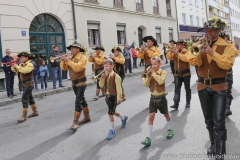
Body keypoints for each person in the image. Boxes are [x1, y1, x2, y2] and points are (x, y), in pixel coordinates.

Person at [188, 17, 235, 159]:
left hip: (219, 87)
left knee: (219, 121)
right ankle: (213, 144)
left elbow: (227, 64)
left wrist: (212, 53)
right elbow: (191, 61)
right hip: (202, 86)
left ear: (218, 30)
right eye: (206, 30)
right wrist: (198, 50)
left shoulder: (227, 46)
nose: (208, 33)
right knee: (208, 120)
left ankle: (220, 151)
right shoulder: (200, 44)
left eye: (211, 30)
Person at [141, 56, 174, 146]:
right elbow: (145, 84)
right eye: (152, 64)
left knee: (166, 115)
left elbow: (160, 81)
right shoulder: (150, 73)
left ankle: (170, 129)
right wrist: (147, 76)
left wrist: (153, 74)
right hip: (153, 98)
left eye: (155, 64)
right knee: (151, 116)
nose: (153, 66)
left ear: (160, 64)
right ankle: (148, 137)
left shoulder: (163, 72)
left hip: (162, 98)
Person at [60, 42, 91, 130]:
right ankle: (87, 117)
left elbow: (78, 68)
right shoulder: (71, 58)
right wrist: (63, 60)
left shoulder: (83, 57)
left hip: (81, 82)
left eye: (73, 48)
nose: (71, 50)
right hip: (74, 82)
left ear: (78, 49)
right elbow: (64, 68)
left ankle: (75, 122)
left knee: (78, 101)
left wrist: (68, 61)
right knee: (82, 100)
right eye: (71, 49)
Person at [99, 59, 128, 140]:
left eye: (107, 66)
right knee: (112, 111)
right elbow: (101, 85)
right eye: (104, 66)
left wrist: (119, 98)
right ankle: (123, 118)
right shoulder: (105, 75)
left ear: (112, 66)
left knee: (110, 113)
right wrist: (102, 78)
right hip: (107, 96)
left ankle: (112, 130)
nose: (106, 68)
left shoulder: (116, 76)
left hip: (114, 96)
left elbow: (119, 88)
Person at [11, 52, 39, 123]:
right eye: (21, 57)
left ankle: (24, 116)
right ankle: (35, 112)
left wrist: (17, 66)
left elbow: (25, 71)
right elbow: (15, 70)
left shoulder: (30, 64)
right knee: (30, 98)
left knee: (24, 99)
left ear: (27, 58)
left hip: (29, 84)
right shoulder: (22, 64)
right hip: (25, 84)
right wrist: (13, 66)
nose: (21, 58)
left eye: (23, 57)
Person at [167, 39, 191, 109]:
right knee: (177, 88)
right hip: (177, 74)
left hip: (186, 73)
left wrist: (178, 54)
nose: (178, 46)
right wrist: (171, 51)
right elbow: (168, 57)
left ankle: (188, 102)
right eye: (177, 44)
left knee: (187, 88)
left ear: (183, 45)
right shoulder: (175, 51)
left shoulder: (187, 52)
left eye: (179, 44)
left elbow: (186, 59)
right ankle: (176, 103)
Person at [219, 33, 239, 116]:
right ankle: (220, 109)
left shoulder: (230, 45)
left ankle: (227, 108)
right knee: (219, 92)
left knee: (228, 91)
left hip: (228, 73)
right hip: (218, 73)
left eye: (225, 38)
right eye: (222, 38)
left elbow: (236, 53)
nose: (224, 39)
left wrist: (229, 45)